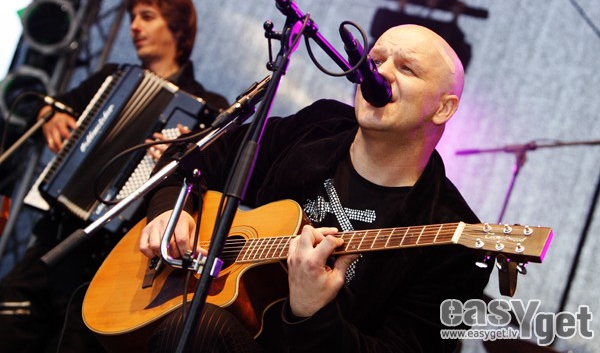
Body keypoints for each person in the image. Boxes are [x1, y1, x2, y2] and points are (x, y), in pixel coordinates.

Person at [139, 24, 493, 352]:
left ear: (443, 109)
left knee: (198, 327)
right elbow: (189, 156)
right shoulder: (317, 127)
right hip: (219, 326)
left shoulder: (454, 238)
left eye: (406, 68)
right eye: (375, 61)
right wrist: (170, 210)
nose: (380, 73)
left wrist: (314, 314)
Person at [0, 0, 229, 353]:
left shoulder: (209, 108)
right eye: (132, 17)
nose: (134, 26)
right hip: (56, 239)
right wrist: (49, 113)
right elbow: (47, 103)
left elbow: (207, 187)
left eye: (147, 17)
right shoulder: (110, 77)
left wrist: (177, 158)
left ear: (177, 28)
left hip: (114, 263)